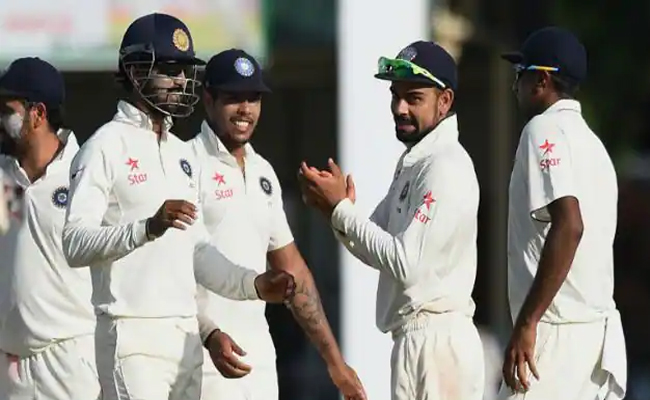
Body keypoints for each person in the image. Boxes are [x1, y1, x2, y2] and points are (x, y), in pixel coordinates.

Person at [61, 13, 294, 400]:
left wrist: (252, 284)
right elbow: (74, 243)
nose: (181, 81)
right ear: (135, 71)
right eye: (169, 70)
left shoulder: (181, 154)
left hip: (185, 339)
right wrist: (146, 228)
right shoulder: (105, 146)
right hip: (131, 334)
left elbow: (198, 251)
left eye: (185, 71)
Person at [299, 41, 484, 400]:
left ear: (444, 101)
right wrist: (333, 211)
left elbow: (405, 263)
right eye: (395, 96)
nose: (400, 108)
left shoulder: (445, 166)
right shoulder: (415, 163)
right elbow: (375, 248)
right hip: (413, 342)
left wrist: (342, 211)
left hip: (440, 345)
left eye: (413, 98)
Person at [188, 48, 366, 400]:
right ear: (208, 99)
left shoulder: (262, 173)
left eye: (253, 98)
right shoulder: (186, 165)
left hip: (259, 363)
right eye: (233, 98)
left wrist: (335, 363)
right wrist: (208, 333)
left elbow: (294, 272)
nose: (245, 109)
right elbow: (169, 271)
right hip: (204, 362)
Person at [499, 26, 627, 400]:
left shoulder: (542, 129)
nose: (514, 86)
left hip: (555, 338)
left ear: (541, 80)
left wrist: (527, 322)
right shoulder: (594, 145)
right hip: (594, 341)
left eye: (519, 74)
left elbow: (570, 225)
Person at [0, 57, 100, 400]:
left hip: (70, 362)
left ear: (38, 113)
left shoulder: (86, 172)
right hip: (9, 367)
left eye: (6, 110)